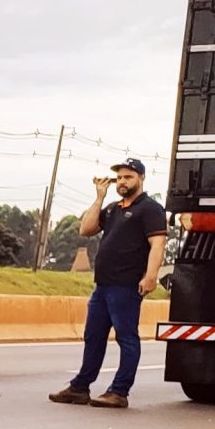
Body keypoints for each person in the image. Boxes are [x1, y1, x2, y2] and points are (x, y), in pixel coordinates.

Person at [52, 158, 168, 409]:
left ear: (141, 179)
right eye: (120, 177)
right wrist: (99, 198)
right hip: (103, 286)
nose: (123, 181)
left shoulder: (149, 209)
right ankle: (80, 387)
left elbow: (157, 244)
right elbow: (86, 228)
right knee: (93, 336)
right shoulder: (114, 208)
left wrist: (150, 276)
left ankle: (119, 391)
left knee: (126, 337)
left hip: (126, 286)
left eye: (129, 177)